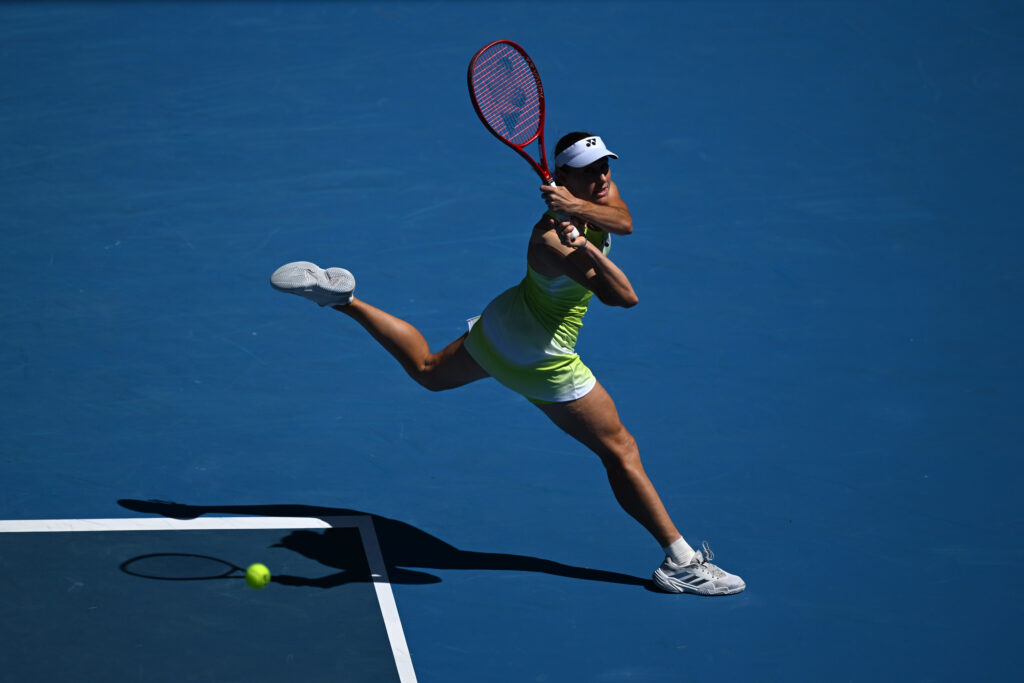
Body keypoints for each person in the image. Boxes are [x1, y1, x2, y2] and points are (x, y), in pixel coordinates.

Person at [270, 132, 745, 596]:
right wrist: (579, 244)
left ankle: (343, 298)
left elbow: (624, 222)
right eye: (589, 171)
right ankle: (680, 562)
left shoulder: (596, 194)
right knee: (620, 450)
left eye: (605, 166)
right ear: (562, 176)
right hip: (540, 357)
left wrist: (578, 209)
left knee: (429, 371)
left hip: (504, 322)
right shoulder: (550, 243)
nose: (602, 177)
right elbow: (624, 298)